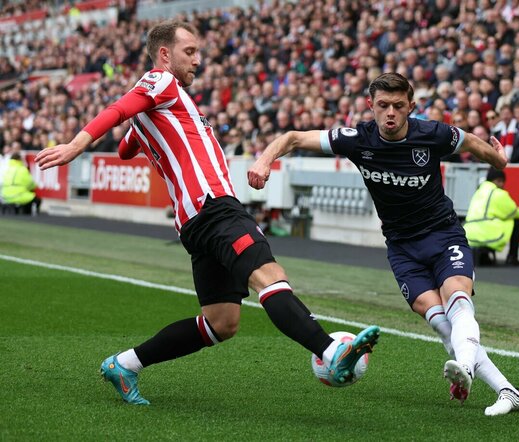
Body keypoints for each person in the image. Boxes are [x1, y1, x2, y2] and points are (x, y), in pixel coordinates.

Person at [35, 20, 380, 405]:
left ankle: (124, 364)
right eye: (190, 52)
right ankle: (331, 352)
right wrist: (78, 143)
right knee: (270, 276)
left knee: (221, 322)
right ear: (165, 55)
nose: (198, 60)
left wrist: (140, 125)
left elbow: (125, 149)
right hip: (214, 207)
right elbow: (119, 109)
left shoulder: (163, 103)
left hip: (193, 223)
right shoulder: (160, 81)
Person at [248, 73, 519, 416]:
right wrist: (263, 161)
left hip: (443, 235)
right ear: (371, 106)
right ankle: (508, 391)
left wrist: (498, 160)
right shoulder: (356, 139)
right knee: (442, 323)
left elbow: (468, 141)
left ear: (411, 106)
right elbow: (292, 137)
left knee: (458, 299)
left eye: (398, 106)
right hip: (401, 247)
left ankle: (465, 369)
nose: (390, 113)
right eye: (383, 106)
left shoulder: (432, 134)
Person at [464, 168, 519, 267]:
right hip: (486, 234)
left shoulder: (478, 192)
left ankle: (484, 257)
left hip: (469, 234)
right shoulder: (498, 193)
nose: (502, 184)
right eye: (500, 181)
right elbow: (514, 212)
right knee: (517, 221)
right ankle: (512, 257)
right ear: (495, 180)